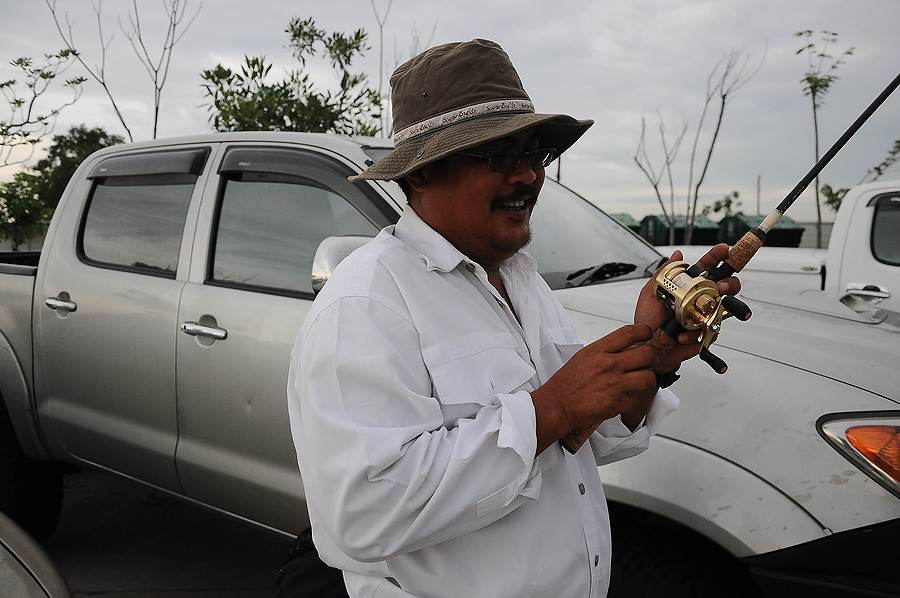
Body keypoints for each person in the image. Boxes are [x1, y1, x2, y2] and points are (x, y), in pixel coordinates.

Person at [286, 38, 740, 598]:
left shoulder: (521, 280)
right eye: (497, 156)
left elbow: (588, 441)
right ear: (420, 175)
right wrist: (552, 406)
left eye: (533, 155)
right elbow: (362, 515)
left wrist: (654, 350)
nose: (526, 177)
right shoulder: (367, 302)